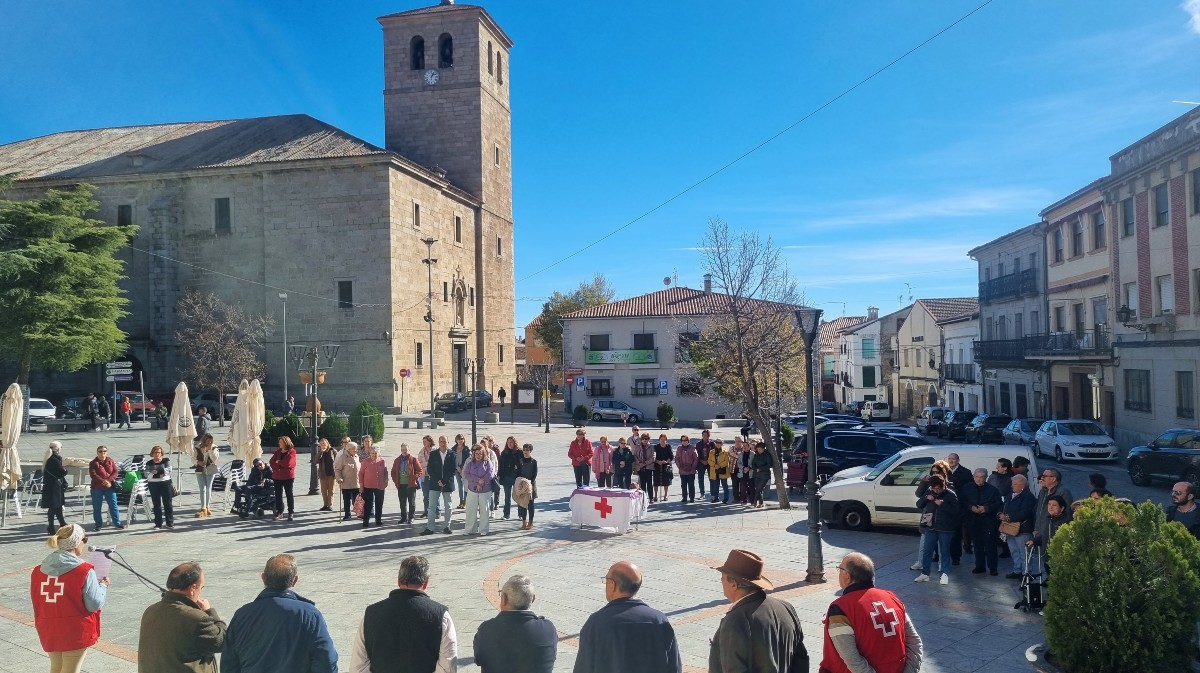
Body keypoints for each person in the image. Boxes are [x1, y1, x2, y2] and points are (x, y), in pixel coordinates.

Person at [222, 554, 338, 673]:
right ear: (294, 580)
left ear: (263, 578)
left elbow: (229, 663)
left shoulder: (242, 614)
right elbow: (326, 660)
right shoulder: (309, 615)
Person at [348, 555, 456, 673]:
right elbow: (448, 667)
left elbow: (358, 666)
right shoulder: (441, 616)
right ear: (425, 583)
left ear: (399, 581)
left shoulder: (370, 614)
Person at [821, 552, 923, 673]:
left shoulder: (840, 609)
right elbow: (915, 642)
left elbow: (852, 660)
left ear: (847, 576)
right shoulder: (892, 599)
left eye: (839, 568)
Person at [573, 561, 681, 673]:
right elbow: (674, 667)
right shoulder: (659, 620)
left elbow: (583, 667)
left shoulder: (597, 623)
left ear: (612, 584)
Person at [711, 549, 808, 673]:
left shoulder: (736, 621)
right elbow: (801, 661)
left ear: (734, 584)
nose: (721, 581)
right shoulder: (786, 607)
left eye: (722, 578)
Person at [31, 524, 109, 673]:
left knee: (56, 668)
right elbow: (94, 604)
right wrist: (103, 587)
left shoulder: (38, 570)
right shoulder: (84, 570)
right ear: (77, 543)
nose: (85, 543)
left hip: (48, 627)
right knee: (71, 670)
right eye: (84, 539)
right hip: (74, 629)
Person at [138, 562, 226, 673]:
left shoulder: (150, 610)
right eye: (201, 588)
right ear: (193, 588)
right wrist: (209, 611)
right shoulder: (197, 618)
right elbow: (222, 642)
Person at [474, 575, 556, 673]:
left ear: (503, 598)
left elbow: (479, 659)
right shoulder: (548, 629)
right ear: (533, 598)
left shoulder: (487, 630)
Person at [915, 475, 959, 585]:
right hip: (930, 527)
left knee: (944, 551)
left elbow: (956, 511)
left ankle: (944, 573)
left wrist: (942, 505)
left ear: (943, 485)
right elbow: (919, 504)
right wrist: (926, 498)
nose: (936, 490)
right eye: (934, 488)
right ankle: (925, 573)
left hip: (945, 528)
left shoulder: (950, 494)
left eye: (938, 488)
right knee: (927, 551)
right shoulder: (929, 492)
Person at [961, 468, 1002, 576]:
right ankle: (979, 566)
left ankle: (993, 568)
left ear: (986, 477)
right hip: (973, 520)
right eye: (977, 477)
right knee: (977, 545)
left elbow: (998, 504)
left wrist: (986, 509)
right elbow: (963, 501)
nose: (979, 479)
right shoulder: (967, 488)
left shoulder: (993, 490)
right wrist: (971, 507)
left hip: (988, 521)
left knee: (990, 546)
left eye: (981, 477)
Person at [998, 474, 1036, 579]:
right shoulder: (1011, 494)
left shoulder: (1028, 496)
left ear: (1022, 485)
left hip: (1023, 529)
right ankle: (1017, 570)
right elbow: (1003, 506)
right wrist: (1000, 514)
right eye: (1012, 483)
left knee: (1024, 553)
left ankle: (1026, 573)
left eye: (1015, 484)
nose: (1012, 486)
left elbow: (1025, 512)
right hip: (1010, 528)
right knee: (1014, 551)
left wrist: (1008, 517)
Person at [421, 436, 456, 535]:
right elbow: (430, 469)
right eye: (441, 441)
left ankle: (447, 526)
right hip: (434, 484)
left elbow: (453, 470)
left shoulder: (452, 454)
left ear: (448, 442)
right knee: (431, 506)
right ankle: (430, 528)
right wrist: (438, 480)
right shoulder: (433, 454)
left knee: (448, 506)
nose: (443, 443)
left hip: (447, 484)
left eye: (445, 441)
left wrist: (444, 481)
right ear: (439, 442)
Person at [88, 446, 124, 532]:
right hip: (97, 488)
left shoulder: (110, 461)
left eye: (104, 451)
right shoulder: (93, 463)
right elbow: (93, 475)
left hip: (109, 487)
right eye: (100, 451)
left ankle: (117, 523)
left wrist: (108, 481)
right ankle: (98, 524)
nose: (102, 453)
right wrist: (103, 481)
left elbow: (115, 472)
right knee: (97, 507)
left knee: (113, 506)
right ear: (97, 453)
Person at [945, 452, 972, 559]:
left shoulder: (966, 472)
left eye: (954, 459)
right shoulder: (944, 471)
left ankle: (963, 550)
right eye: (949, 459)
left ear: (958, 460)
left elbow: (968, 489)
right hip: (947, 504)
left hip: (961, 504)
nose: (951, 461)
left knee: (962, 530)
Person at [464, 444, 496, 536]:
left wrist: (482, 482)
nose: (478, 455)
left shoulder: (488, 462)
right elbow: (466, 474)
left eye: (480, 454)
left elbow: (491, 474)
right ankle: (470, 529)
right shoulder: (470, 463)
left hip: (485, 490)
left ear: (483, 454)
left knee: (484, 510)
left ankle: (484, 529)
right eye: (476, 454)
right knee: (471, 510)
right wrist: (477, 481)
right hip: (472, 489)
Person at [391, 443, 423, 525]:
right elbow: (393, 472)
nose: (404, 451)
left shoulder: (413, 459)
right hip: (401, 485)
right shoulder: (397, 460)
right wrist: (396, 481)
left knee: (411, 502)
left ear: (409, 450)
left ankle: (411, 517)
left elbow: (419, 470)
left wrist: (414, 478)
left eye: (406, 450)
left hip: (411, 485)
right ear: (400, 450)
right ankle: (403, 517)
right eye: (402, 450)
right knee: (402, 502)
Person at [358, 443, 389, 528]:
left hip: (380, 486)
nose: (374, 455)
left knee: (379, 503)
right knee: (368, 504)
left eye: (376, 453)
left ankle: (378, 519)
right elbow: (361, 474)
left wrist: (386, 480)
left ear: (379, 453)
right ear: (370, 453)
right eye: (372, 453)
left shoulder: (382, 461)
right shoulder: (366, 461)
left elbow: (385, 472)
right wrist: (361, 486)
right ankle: (366, 520)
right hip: (368, 486)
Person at [145, 445, 175, 530]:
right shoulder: (149, 463)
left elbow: (169, 470)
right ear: (152, 453)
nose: (157, 454)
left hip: (165, 483)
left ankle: (169, 522)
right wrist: (155, 473)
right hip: (153, 484)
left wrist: (157, 472)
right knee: (156, 504)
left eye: (159, 452)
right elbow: (146, 474)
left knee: (168, 503)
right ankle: (158, 524)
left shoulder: (166, 461)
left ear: (161, 453)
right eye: (155, 452)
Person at [42, 441, 68, 534]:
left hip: (52, 486)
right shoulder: (54, 459)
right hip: (54, 487)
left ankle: (61, 523)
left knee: (57, 506)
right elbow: (62, 472)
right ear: (57, 448)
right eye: (61, 447)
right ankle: (52, 526)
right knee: (53, 507)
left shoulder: (50, 457)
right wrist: (66, 469)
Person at [270, 436, 297, 521]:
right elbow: (271, 462)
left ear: (286, 443)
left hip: (287, 477)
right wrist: (280, 464)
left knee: (289, 494)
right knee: (278, 495)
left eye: (281, 442)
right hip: (277, 477)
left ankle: (290, 512)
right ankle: (279, 512)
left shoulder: (292, 452)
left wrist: (279, 462)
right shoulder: (278, 452)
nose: (279, 443)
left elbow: (289, 463)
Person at [193, 433, 220, 518]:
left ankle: (207, 507)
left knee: (208, 488)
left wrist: (210, 450)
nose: (209, 442)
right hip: (200, 469)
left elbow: (214, 459)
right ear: (204, 440)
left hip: (210, 468)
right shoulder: (197, 448)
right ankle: (203, 508)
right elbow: (192, 458)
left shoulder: (214, 448)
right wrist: (198, 462)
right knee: (202, 488)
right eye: (208, 440)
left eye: (211, 441)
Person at [334, 440, 361, 522]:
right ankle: (347, 514)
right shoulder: (342, 457)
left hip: (356, 483)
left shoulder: (356, 456)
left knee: (357, 499)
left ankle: (358, 513)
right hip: (346, 483)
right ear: (349, 449)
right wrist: (339, 478)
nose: (356, 450)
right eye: (355, 448)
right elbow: (337, 469)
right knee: (346, 499)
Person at [498, 436, 522, 520]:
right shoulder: (504, 452)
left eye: (511, 442)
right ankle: (506, 514)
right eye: (508, 442)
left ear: (514, 443)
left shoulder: (519, 452)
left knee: (518, 496)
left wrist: (517, 467)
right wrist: (499, 475)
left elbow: (521, 464)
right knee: (507, 497)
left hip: (516, 477)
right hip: (506, 477)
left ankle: (521, 514)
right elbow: (500, 465)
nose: (509, 444)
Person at [516, 443, 538, 529]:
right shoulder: (520, 461)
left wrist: (529, 483)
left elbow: (534, 474)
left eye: (527, 450)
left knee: (531, 504)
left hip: (531, 485)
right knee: (522, 504)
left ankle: (531, 522)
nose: (525, 452)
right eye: (524, 450)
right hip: (522, 484)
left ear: (530, 451)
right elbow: (518, 472)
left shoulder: (533, 461)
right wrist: (520, 481)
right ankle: (524, 521)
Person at [674, 435, 698, 504]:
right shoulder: (679, 448)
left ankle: (692, 498)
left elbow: (696, 458)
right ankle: (684, 497)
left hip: (691, 470)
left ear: (688, 441)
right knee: (683, 485)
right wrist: (680, 467)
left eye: (685, 440)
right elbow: (677, 458)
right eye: (682, 441)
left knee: (691, 484)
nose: (684, 442)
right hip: (682, 470)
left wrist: (692, 467)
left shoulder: (692, 448)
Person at [750, 441, 774, 508]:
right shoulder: (756, 454)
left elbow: (769, 464)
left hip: (764, 475)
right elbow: (753, 463)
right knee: (758, 488)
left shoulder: (767, 455)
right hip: (756, 474)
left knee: (759, 488)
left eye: (760, 449)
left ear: (763, 449)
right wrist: (755, 468)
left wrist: (760, 469)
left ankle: (754, 501)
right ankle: (761, 503)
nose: (759, 450)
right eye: (757, 449)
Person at [633, 432, 656, 502]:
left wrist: (645, 463)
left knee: (649, 483)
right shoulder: (638, 446)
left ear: (648, 439)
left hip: (648, 467)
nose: (645, 440)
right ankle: (643, 498)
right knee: (642, 483)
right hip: (640, 467)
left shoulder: (652, 447)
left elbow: (653, 457)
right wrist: (639, 463)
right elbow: (635, 455)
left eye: (646, 439)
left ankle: (651, 498)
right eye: (643, 439)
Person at [317, 438, 337, 512]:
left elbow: (337, 460)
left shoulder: (333, 451)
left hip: (332, 474)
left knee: (331, 490)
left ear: (327, 443)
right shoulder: (320, 452)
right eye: (321, 444)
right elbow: (315, 460)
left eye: (324, 443)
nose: (323, 445)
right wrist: (320, 453)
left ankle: (330, 505)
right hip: (323, 474)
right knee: (324, 491)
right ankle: (325, 505)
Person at [653, 434, 674, 502]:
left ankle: (665, 495)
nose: (663, 441)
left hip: (666, 465)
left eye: (664, 440)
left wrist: (666, 461)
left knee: (666, 481)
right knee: (656, 481)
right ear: (659, 440)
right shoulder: (656, 447)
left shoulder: (668, 446)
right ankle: (655, 495)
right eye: (661, 439)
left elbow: (671, 456)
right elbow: (652, 457)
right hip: (657, 465)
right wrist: (658, 461)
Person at [453, 434, 470, 509]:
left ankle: (466, 501)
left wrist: (461, 467)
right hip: (457, 470)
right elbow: (452, 459)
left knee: (465, 486)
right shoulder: (453, 448)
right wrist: (457, 467)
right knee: (460, 486)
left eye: (462, 439)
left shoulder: (466, 449)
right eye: (458, 439)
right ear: (456, 440)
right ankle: (461, 501)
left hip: (465, 470)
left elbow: (468, 459)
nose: (460, 440)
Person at [418, 435, 434, 512]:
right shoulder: (421, 451)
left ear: (430, 441)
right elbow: (419, 463)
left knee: (434, 494)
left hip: (433, 476)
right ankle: (426, 511)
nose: (424, 443)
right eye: (423, 441)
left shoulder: (434, 451)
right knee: (425, 495)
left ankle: (437, 511)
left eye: (425, 441)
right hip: (424, 475)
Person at [695, 430, 712, 499]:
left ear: (708, 436)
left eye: (706, 435)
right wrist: (701, 461)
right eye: (703, 435)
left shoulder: (711, 444)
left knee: (711, 478)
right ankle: (702, 493)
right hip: (701, 463)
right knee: (700, 478)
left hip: (709, 463)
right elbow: (697, 454)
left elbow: (713, 454)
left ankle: (712, 493)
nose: (704, 436)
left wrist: (708, 461)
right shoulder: (698, 444)